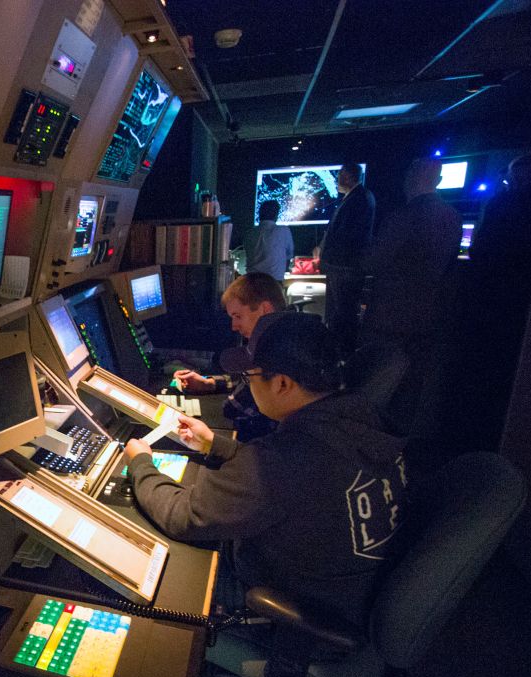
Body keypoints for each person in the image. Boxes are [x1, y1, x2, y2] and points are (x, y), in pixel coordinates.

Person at [126, 312, 407, 625]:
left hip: (292, 609)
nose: (248, 385)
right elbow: (298, 478)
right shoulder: (363, 418)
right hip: (348, 592)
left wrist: (141, 464)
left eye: (251, 377)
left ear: (283, 383)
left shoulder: (281, 462)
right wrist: (215, 444)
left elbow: (182, 516)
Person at [445, 150, 531, 451]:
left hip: (491, 309)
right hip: (520, 317)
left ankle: (465, 445)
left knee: (480, 381)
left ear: (518, 177)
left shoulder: (505, 206)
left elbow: (481, 254)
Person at [360, 157, 461, 435]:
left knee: (376, 384)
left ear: (411, 178)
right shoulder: (452, 217)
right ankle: (403, 446)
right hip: (428, 318)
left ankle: (368, 444)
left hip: (389, 317)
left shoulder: (404, 215)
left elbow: (373, 260)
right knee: (411, 390)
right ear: (438, 181)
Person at [173, 273, 285, 441]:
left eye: (238, 316)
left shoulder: (276, 352)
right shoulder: (281, 337)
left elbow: (233, 407)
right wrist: (210, 383)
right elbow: (246, 377)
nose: (233, 326)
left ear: (265, 310)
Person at [320, 162, 376, 354]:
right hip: (341, 267)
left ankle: (343, 354)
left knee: (344, 314)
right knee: (341, 313)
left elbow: (348, 235)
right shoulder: (355, 198)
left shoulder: (360, 198)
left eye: (340, 176)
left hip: (345, 267)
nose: (337, 180)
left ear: (350, 176)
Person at [243, 199, 294, 280]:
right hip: (274, 282)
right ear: (276, 215)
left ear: (259, 214)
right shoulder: (284, 231)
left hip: (252, 281)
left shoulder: (250, 233)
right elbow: (289, 255)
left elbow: (247, 253)